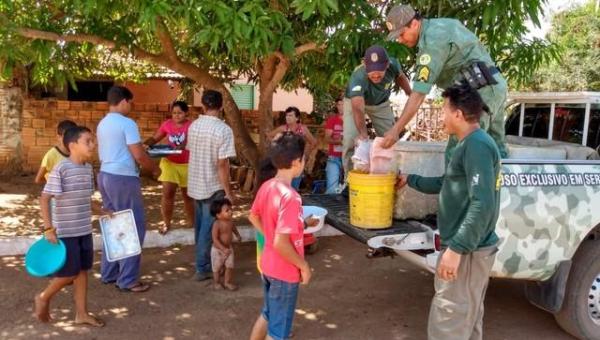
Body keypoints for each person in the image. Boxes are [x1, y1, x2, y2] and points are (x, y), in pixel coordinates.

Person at [396, 83, 501, 340]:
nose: (441, 115)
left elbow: (482, 203)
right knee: (467, 320)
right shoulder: (469, 144)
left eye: (444, 110)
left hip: (467, 251)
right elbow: (449, 184)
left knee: (449, 322)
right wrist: (411, 179)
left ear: (458, 114)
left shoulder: (477, 145)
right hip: (469, 250)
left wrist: (455, 250)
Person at [382, 4, 508, 160]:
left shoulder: (432, 43)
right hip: (493, 86)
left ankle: (455, 185)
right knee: (497, 152)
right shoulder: (442, 25)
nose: (399, 40)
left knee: (457, 155)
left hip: (479, 93)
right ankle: (499, 184)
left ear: (414, 24)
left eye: (401, 34)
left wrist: (396, 130)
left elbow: (419, 94)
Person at [34, 125, 104, 327]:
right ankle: (44, 297)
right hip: (66, 232)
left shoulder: (88, 168)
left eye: (93, 141)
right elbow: (45, 198)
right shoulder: (61, 168)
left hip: (84, 229)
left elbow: (86, 199)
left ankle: (81, 313)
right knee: (70, 273)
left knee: (82, 271)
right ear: (73, 145)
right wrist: (49, 229)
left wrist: (103, 211)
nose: (93, 145)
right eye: (88, 141)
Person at [96, 86, 160, 293]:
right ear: (123, 101)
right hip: (123, 178)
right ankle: (128, 279)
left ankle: (109, 273)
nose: (131, 107)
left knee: (114, 224)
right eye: (130, 102)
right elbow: (139, 155)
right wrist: (155, 169)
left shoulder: (103, 123)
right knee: (132, 226)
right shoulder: (127, 123)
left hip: (105, 175)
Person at [248, 133, 312, 340]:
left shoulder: (268, 186)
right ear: (296, 162)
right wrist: (303, 266)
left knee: (268, 313)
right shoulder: (291, 197)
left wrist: (269, 236)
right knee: (278, 332)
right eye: (304, 158)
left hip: (268, 266)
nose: (305, 162)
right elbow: (281, 243)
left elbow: (253, 216)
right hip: (284, 272)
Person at [187, 90, 236, 282]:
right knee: (208, 229)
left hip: (196, 183)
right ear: (221, 106)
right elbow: (222, 164)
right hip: (213, 185)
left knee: (200, 227)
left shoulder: (194, 126)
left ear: (203, 106)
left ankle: (202, 263)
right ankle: (203, 267)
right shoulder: (223, 130)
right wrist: (228, 191)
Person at [342, 45, 412, 174]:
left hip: (380, 102)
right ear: (365, 65)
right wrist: (363, 135)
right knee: (351, 140)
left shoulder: (394, 64)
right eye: (371, 70)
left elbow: (400, 77)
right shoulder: (358, 76)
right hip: (354, 102)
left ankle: (390, 176)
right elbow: (358, 108)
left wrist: (410, 93)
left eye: (379, 70)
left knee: (390, 139)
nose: (375, 74)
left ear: (387, 65)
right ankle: (350, 180)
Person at [143, 100, 194, 234]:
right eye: (174, 113)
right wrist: (146, 144)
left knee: (188, 196)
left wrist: (182, 146)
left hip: (187, 164)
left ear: (186, 113)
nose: (176, 116)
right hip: (169, 162)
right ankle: (166, 223)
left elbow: (191, 142)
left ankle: (192, 222)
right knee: (168, 193)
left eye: (180, 113)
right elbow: (155, 138)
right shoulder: (167, 124)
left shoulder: (192, 125)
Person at [268, 106, 317, 190]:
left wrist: (306, 154)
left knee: (294, 186)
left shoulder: (303, 129)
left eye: (290, 115)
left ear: (297, 118)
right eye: (287, 115)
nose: (288, 117)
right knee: (282, 185)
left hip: (298, 161)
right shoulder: (282, 128)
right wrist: (276, 148)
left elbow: (313, 142)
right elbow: (269, 136)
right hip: (283, 160)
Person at [210, 198, 241, 291]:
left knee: (229, 266)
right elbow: (215, 239)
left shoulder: (230, 221)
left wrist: (238, 235)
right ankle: (217, 282)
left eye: (230, 209)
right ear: (218, 215)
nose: (230, 211)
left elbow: (234, 228)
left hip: (229, 249)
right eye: (227, 210)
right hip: (218, 250)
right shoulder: (217, 224)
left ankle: (227, 282)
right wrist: (222, 248)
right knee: (217, 268)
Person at [35, 120, 77, 184]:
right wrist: (55, 184)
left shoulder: (78, 153)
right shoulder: (51, 155)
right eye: (67, 137)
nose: (70, 140)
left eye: (73, 136)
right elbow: (38, 179)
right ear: (59, 137)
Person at [323, 98, 344, 193]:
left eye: (342, 104)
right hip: (334, 157)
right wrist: (339, 142)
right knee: (332, 188)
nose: (340, 107)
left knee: (350, 187)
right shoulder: (332, 120)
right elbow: (326, 138)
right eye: (338, 104)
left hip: (349, 157)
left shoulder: (353, 121)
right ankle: (331, 207)